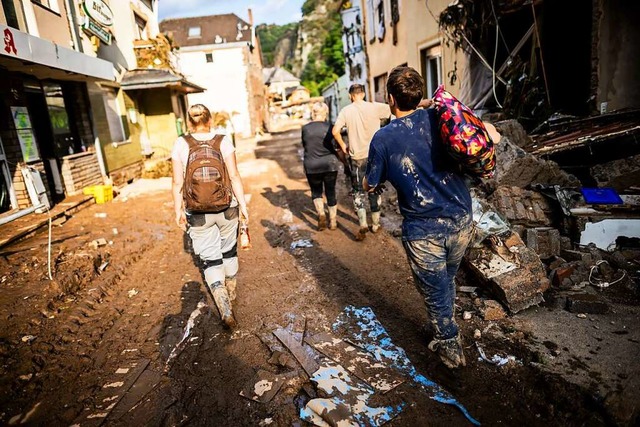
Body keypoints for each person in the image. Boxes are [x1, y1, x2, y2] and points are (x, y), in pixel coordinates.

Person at [364, 67, 473, 369]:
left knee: (435, 289)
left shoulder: (383, 139)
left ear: (390, 98)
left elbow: (371, 182)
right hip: (463, 218)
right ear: (419, 95)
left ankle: (451, 349)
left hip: (425, 230)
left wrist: (368, 181)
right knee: (446, 279)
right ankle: (444, 323)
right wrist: (426, 104)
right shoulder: (440, 118)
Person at [171, 104, 249, 328]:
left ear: (189, 121)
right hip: (226, 208)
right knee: (229, 251)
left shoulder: (181, 143)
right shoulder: (223, 140)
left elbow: (177, 181)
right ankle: (231, 294)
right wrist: (243, 205)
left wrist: (178, 209)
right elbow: (233, 175)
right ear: (210, 119)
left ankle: (225, 309)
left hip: (197, 212)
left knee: (210, 260)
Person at [332, 84, 390, 241]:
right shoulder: (375, 107)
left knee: (358, 191)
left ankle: (363, 224)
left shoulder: (346, 111)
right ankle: (376, 224)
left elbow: (335, 131)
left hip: (357, 158)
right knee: (374, 187)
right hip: (375, 157)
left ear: (351, 96)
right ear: (363, 94)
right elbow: (395, 108)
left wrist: (343, 145)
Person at [301, 102, 340, 231]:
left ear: (313, 113)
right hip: (329, 164)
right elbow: (336, 146)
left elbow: (305, 145)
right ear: (326, 113)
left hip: (312, 165)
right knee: (330, 191)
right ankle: (333, 222)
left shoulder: (305, 128)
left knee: (316, 191)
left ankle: (321, 214)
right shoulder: (331, 127)